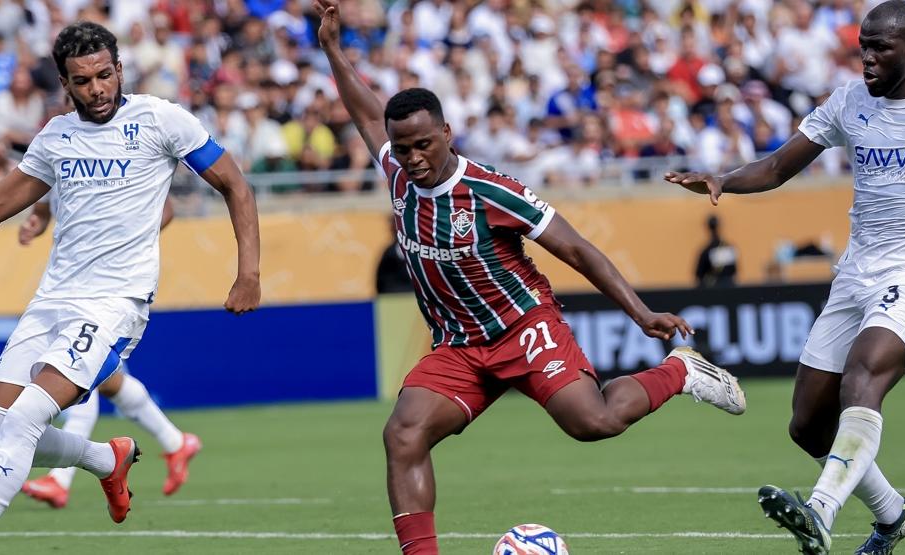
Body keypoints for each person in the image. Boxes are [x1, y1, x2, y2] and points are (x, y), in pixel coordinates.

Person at [316, 2, 747, 554]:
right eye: (403, 148)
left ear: (447, 132)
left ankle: (679, 372)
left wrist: (641, 313)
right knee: (403, 434)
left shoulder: (492, 191)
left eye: (424, 144)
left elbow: (576, 249)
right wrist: (331, 47)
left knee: (593, 422)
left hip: (522, 326)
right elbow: (366, 112)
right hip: (459, 346)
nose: (414, 158)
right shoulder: (397, 171)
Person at [0, 22, 261, 555]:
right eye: (83, 81)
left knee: (26, 416)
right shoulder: (57, 137)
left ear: (119, 70)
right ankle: (106, 459)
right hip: (52, 301)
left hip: (115, 304)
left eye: (105, 75)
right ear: (65, 84)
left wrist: (249, 272)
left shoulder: (160, 120)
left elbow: (235, 184)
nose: (98, 89)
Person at [665, 3, 905, 554]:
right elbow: (778, 167)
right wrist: (722, 180)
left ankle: (820, 512)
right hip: (854, 275)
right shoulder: (849, 101)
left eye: (879, 48)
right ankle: (894, 515)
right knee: (806, 425)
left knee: (861, 379)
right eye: (862, 47)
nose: (867, 58)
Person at [15, 197, 203, 507]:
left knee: (76, 370)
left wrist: (126, 243)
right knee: (104, 379)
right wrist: (36, 220)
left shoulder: (120, 157)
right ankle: (176, 441)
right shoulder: (59, 151)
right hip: (72, 285)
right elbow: (48, 197)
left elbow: (165, 207)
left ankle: (59, 480)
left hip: (110, 288)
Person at [694, 214, 738, 288]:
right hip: (729, 290)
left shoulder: (706, 250)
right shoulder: (729, 248)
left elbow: (699, 275)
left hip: (713, 292)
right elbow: (734, 271)